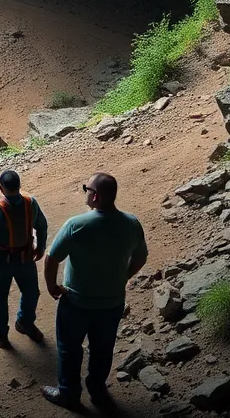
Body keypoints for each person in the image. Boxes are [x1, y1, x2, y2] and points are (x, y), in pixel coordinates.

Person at [42, 172, 148, 409]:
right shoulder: (131, 223)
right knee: (102, 348)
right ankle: (97, 390)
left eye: (86, 189)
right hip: (111, 303)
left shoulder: (76, 225)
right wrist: (123, 277)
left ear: (96, 196)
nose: (85, 193)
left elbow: (51, 259)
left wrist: (52, 286)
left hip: (76, 303)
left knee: (69, 348)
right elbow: (141, 257)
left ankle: (69, 393)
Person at [0, 169, 49, 348]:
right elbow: (42, 225)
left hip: (2, 260)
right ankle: (25, 322)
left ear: (1, 189)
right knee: (31, 292)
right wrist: (40, 247)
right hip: (26, 256)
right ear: (19, 186)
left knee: (0, 295)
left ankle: (0, 333)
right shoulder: (30, 203)